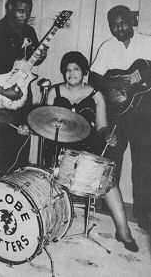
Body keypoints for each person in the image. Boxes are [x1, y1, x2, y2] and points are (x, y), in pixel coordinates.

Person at [46, 51, 138, 252]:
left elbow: (102, 127)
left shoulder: (96, 95)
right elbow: (45, 120)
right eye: (68, 70)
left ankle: (123, 231)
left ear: (84, 72)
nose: (71, 73)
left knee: (108, 182)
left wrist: (108, 136)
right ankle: (47, 222)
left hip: (89, 145)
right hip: (61, 145)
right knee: (49, 179)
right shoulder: (54, 92)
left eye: (76, 69)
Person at [89, 5, 151, 230]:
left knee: (144, 164)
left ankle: (143, 215)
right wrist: (114, 83)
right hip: (117, 114)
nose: (119, 28)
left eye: (122, 23)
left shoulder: (147, 42)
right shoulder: (107, 47)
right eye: (114, 25)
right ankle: (107, 208)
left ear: (131, 20)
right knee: (113, 159)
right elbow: (94, 78)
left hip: (144, 114)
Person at [0, 0, 48, 176]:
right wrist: (4, 91)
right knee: (1, 153)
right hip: (0, 97)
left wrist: (41, 56)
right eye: (20, 11)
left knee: (22, 147)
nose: (25, 15)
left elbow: (32, 60)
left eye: (28, 11)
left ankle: (17, 193)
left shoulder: (30, 31)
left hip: (24, 97)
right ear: (9, 7)